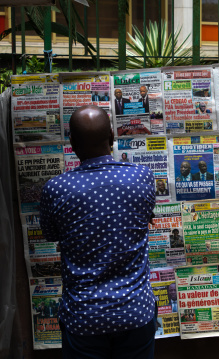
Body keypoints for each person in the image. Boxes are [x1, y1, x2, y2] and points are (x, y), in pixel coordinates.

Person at [39, 105, 157, 358]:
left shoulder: (56, 188)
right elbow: (145, 219)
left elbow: (51, 234)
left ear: (71, 142)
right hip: (135, 311)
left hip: (84, 316)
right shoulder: (142, 177)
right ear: (112, 137)